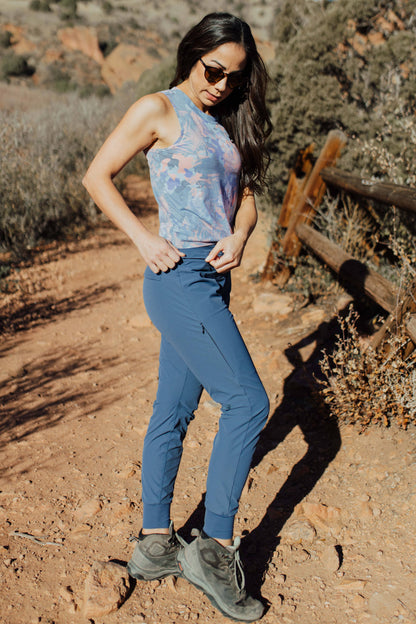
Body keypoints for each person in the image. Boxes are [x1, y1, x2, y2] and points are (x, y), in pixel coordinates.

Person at [82, 12, 272, 622]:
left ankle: (156, 543)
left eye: (234, 77)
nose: (221, 84)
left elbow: (245, 198)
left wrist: (240, 238)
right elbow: (97, 175)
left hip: (212, 280)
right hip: (177, 278)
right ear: (192, 55)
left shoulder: (225, 124)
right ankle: (214, 549)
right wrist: (142, 240)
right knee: (248, 403)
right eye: (213, 69)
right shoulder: (157, 109)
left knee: (174, 410)